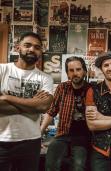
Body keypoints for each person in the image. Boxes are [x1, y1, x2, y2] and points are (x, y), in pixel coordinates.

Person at [0, 32, 54, 171]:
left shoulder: (45, 78)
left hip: (31, 141)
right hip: (1, 140)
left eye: (37, 47)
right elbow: (37, 107)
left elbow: (43, 106)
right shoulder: (2, 70)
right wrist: (32, 104)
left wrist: (7, 98)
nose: (32, 49)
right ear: (18, 48)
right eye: (27, 45)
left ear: (40, 52)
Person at [41, 56, 91, 171]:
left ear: (84, 71)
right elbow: (51, 112)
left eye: (78, 69)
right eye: (71, 70)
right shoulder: (62, 88)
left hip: (82, 137)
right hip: (62, 134)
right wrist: (40, 132)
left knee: (78, 166)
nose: (75, 73)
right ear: (67, 73)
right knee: (51, 164)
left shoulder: (92, 90)